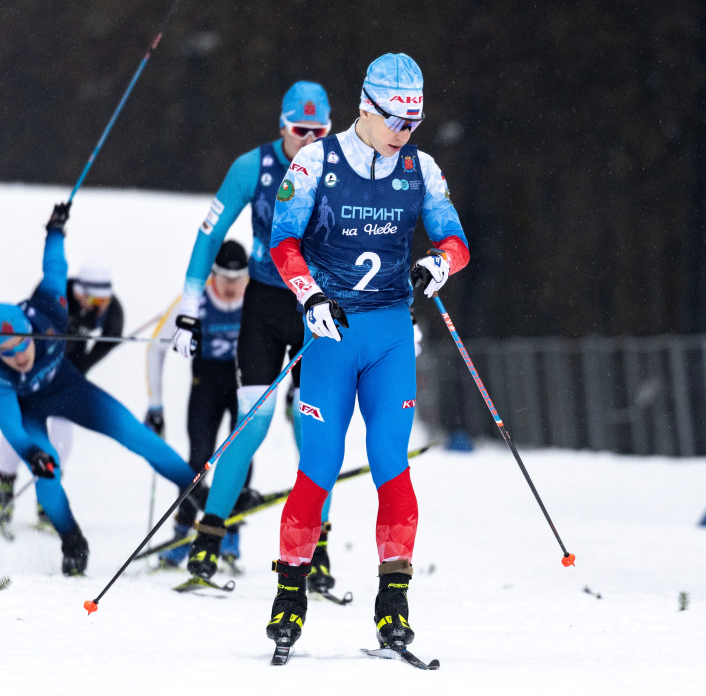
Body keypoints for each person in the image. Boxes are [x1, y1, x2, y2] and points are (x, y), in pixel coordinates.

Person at [263, 54, 470, 654]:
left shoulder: (421, 168)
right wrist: (309, 296)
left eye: (415, 122)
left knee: (390, 463)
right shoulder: (315, 162)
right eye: (396, 122)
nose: (405, 134)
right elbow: (283, 242)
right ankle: (290, 597)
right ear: (365, 108)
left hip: (388, 337)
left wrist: (439, 262)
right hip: (332, 334)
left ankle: (393, 603)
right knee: (317, 469)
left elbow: (455, 239)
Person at [169, 81, 341, 591]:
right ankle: (209, 536)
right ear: (281, 126)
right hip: (265, 306)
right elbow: (210, 234)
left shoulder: (342, 166)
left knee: (312, 430)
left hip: (318, 310)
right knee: (254, 424)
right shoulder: (254, 168)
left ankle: (317, 551)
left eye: (320, 131)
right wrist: (188, 309)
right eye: (298, 130)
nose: (309, 140)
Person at [0, 202, 199, 575]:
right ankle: (72, 540)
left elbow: (55, 267)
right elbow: (9, 421)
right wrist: (32, 454)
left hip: (66, 384)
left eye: (23, 345)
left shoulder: (50, 308)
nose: (20, 357)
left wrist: (55, 231)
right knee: (47, 468)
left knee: (132, 432)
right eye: (8, 354)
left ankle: (195, 489)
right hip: (27, 408)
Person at [0, 263, 126, 532]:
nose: (101, 306)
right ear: (79, 291)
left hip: (70, 366)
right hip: (36, 366)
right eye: (96, 300)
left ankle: (48, 496)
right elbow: (25, 331)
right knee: (23, 423)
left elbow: (112, 338)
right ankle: (5, 485)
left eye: (105, 300)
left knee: (64, 425)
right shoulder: (52, 294)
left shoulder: (111, 308)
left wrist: (83, 366)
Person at [144, 240, 255, 568]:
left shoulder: (257, 297)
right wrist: (155, 406)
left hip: (244, 385)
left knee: (240, 455)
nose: (233, 286)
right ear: (213, 275)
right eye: (225, 278)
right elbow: (155, 349)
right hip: (206, 383)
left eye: (240, 278)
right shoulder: (194, 301)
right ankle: (182, 533)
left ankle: (230, 532)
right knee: (198, 458)